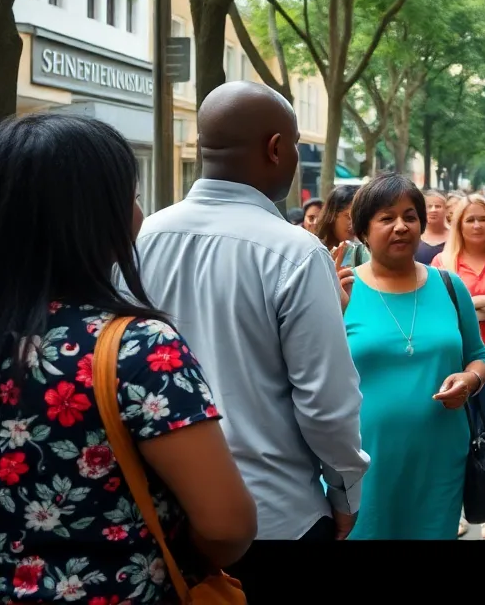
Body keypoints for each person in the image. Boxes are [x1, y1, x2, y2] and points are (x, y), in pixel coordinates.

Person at [0, 113, 256, 603]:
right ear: (97, 217)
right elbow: (227, 525)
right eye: (132, 196)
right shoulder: (137, 350)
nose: (139, 212)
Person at [134, 82, 370, 555]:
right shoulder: (295, 253)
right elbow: (326, 401)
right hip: (276, 514)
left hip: (162, 514)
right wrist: (345, 491)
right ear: (277, 148)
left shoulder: (142, 240)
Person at [341, 173, 485, 540]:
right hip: (361, 462)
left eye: (410, 216)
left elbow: (479, 356)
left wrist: (469, 381)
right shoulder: (341, 290)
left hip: (440, 457)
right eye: (386, 218)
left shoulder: (448, 285)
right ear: (363, 229)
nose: (401, 226)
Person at [432, 194, 485, 540]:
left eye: (483, 219)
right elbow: (442, 313)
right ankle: (459, 510)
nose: (477, 225)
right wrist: (484, 305)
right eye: (470, 220)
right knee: (459, 435)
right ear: (458, 224)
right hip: (456, 360)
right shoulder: (442, 262)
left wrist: (469, 306)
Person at [317, 185, 366, 266]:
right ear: (332, 215)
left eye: (359, 217)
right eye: (349, 217)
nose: (355, 224)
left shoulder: (362, 253)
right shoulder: (315, 250)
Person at [417, 190, 450, 265]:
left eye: (438, 206)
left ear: (446, 209)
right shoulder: (415, 235)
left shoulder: (455, 235)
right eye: (429, 206)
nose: (433, 210)